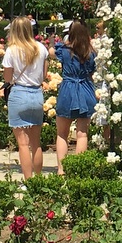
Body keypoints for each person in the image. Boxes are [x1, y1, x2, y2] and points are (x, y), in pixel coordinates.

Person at [2, 15, 49, 181]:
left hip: (19, 94)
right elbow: (43, 75)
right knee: (36, 142)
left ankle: (28, 181)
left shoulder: (11, 50)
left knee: (23, 143)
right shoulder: (41, 48)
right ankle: (38, 178)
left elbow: (7, 79)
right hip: (36, 94)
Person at [52, 19, 97, 176]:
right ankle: (79, 170)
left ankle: (61, 169)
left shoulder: (63, 50)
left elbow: (51, 52)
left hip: (68, 90)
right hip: (85, 89)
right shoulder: (91, 53)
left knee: (62, 133)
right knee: (82, 133)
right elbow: (92, 73)